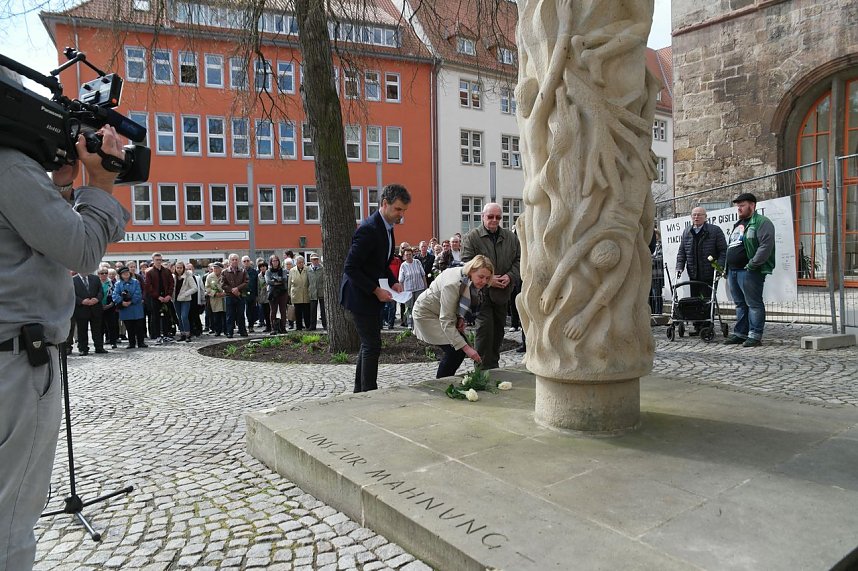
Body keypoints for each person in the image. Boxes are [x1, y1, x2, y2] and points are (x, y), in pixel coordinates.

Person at [0, 73, 129, 571]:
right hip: (17, 364)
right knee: (10, 520)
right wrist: (100, 184)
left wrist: (55, 188)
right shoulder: (10, 168)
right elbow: (80, 250)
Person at [340, 183, 411, 393]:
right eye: (398, 209)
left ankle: (361, 391)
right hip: (359, 295)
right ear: (384, 204)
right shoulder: (369, 229)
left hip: (370, 294)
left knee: (368, 344)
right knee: (372, 345)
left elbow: (380, 263)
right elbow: (350, 268)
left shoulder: (387, 228)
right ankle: (369, 393)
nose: (401, 215)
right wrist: (376, 290)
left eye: (404, 211)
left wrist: (392, 281)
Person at [462, 202, 521, 369]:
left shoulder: (510, 238)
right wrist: (489, 279)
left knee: (498, 332)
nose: (494, 220)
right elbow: (466, 264)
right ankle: (480, 370)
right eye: (490, 217)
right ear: (482, 217)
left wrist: (510, 276)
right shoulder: (472, 237)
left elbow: (519, 260)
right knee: (484, 331)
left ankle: (493, 368)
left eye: (498, 217)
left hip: (502, 293)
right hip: (480, 294)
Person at [413, 255, 493, 378]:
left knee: (458, 347)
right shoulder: (453, 283)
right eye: (481, 277)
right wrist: (467, 349)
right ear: (471, 270)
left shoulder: (466, 277)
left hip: (439, 312)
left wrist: (460, 318)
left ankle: (445, 380)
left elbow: (456, 303)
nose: (484, 281)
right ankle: (442, 383)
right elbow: (446, 320)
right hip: (426, 315)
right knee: (456, 350)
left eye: (487, 278)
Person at [724, 193, 776, 347]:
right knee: (740, 304)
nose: (739, 208)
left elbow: (765, 246)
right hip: (733, 270)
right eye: (737, 205)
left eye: (742, 205)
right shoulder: (739, 224)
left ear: (752, 205)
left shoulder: (762, 222)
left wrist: (753, 264)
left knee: (753, 303)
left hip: (750, 270)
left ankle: (755, 335)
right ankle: (740, 333)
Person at [675, 206, 727, 300]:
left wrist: (719, 266)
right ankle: (695, 315)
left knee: (707, 301)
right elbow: (682, 252)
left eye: (699, 215)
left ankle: (708, 315)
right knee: (695, 301)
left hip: (709, 273)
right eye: (694, 215)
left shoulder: (715, 231)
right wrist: (679, 267)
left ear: (705, 217)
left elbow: (723, 251)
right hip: (693, 273)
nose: (696, 217)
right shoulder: (687, 231)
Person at [69, 271, 106, 356]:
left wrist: (97, 299)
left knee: (97, 329)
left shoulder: (95, 278)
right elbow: (71, 294)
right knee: (82, 330)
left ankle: (99, 347)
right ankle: (83, 349)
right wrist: (81, 301)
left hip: (95, 308)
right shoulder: (73, 280)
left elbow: (101, 291)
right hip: (81, 309)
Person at [112, 266, 147, 348]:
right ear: (121, 275)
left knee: (139, 326)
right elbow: (115, 295)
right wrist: (122, 301)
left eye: (127, 272)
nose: (126, 274)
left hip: (136, 307)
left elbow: (138, 293)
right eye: (124, 273)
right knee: (129, 327)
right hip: (125, 309)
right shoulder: (118, 284)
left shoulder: (135, 282)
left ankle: (141, 342)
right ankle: (131, 343)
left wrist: (131, 301)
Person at [144, 252, 176, 342]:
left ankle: (166, 334)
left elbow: (171, 284)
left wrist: (169, 295)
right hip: (155, 299)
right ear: (153, 260)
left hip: (166, 297)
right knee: (155, 317)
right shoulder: (149, 272)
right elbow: (148, 286)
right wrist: (157, 296)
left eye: (160, 260)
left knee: (167, 316)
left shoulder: (167, 271)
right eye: (157, 260)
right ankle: (157, 336)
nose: (158, 261)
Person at [398, 247, 427, 329]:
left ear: (412, 254)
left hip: (419, 288)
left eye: (410, 254)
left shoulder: (417, 262)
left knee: (419, 306)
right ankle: (410, 323)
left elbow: (423, 274)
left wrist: (425, 286)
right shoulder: (403, 265)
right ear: (404, 256)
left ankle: (419, 323)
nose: (408, 256)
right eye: (406, 255)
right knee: (409, 307)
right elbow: (401, 280)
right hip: (408, 290)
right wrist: (403, 292)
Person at [222, 253, 249, 338]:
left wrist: (237, 288)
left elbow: (246, 282)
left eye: (236, 259)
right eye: (232, 259)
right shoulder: (225, 272)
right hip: (229, 296)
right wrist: (232, 290)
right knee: (230, 315)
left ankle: (242, 331)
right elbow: (223, 284)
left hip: (240, 295)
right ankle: (230, 332)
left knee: (241, 314)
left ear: (238, 261)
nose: (234, 261)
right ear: (229, 261)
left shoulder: (243, 271)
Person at [172, 261, 198, 342]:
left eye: (181, 268)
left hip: (185, 300)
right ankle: (182, 334)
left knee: (184, 316)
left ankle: (188, 334)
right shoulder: (173, 276)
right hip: (176, 300)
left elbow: (194, 288)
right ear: (175, 268)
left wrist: (186, 294)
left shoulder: (188, 276)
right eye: (178, 268)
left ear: (183, 268)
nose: (179, 269)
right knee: (179, 317)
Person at [266, 255, 289, 334]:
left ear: (279, 262)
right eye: (273, 261)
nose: (275, 262)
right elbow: (268, 281)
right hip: (273, 293)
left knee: (283, 310)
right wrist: (278, 280)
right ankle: (274, 328)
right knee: (273, 311)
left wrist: (275, 280)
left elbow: (284, 279)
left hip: (283, 292)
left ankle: (283, 327)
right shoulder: (268, 271)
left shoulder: (283, 270)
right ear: (271, 262)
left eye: (276, 260)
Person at [289, 255, 311, 330]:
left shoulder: (307, 269)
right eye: (299, 262)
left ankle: (308, 326)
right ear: (296, 263)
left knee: (306, 312)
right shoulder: (292, 270)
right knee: (297, 312)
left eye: (302, 262)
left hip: (305, 293)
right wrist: (290, 294)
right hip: (296, 293)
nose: (301, 264)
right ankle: (298, 326)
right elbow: (289, 283)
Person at [205, 262, 226, 336]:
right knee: (216, 316)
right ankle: (217, 330)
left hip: (224, 298)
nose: (215, 270)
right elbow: (207, 288)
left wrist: (225, 292)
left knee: (225, 315)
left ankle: (226, 330)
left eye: (217, 268)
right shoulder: (209, 277)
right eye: (214, 268)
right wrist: (215, 293)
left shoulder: (224, 275)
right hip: (215, 299)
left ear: (221, 269)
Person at [307, 253, 327, 330]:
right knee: (312, 310)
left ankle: (325, 325)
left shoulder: (323, 268)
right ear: (311, 260)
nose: (315, 261)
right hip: (312, 291)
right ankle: (312, 326)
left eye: (316, 259)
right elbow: (307, 281)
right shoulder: (308, 269)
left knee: (323, 310)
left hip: (321, 291)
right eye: (313, 259)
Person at [242, 256, 259, 331]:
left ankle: (250, 325)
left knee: (251, 310)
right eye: (244, 261)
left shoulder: (254, 271)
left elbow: (257, 284)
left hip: (252, 293)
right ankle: (241, 327)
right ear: (242, 263)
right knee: (242, 310)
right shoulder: (240, 271)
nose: (246, 262)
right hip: (243, 293)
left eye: (247, 261)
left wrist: (257, 295)